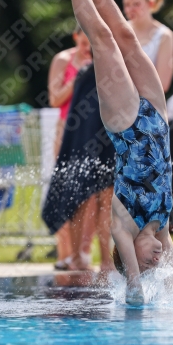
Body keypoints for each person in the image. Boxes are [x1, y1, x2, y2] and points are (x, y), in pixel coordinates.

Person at [56, 0, 173, 305]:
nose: (157, 257)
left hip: (126, 124)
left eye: (148, 262)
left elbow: (134, 288)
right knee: (125, 35)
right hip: (157, 115)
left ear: (130, 260)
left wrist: (136, 286)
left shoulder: (124, 225)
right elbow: (172, 275)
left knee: (103, 39)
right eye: (159, 260)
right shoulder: (164, 226)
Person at [43, 63, 115, 272]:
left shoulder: (101, 71)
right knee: (82, 199)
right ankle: (83, 258)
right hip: (90, 143)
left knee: (99, 200)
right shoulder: (93, 72)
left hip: (99, 142)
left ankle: (100, 259)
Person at [48, 24, 92, 267]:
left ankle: (83, 252)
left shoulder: (100, 60)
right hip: (67, 130)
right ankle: (64, 253)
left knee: (92, 197)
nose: (87, 50)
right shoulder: (63, 60)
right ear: (76, 37)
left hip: (92, 132)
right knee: (65, 190)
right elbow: (55, 99)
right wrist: (78, 77)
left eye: (91, 45)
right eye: (84, 44)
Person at [122, 0, 173, 92]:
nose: (130, 9)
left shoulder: (164, 36)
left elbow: (162, 84)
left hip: (147, 105)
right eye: (127, 4)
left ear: (150, 3)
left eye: (136, 4)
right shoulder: (119, 30)